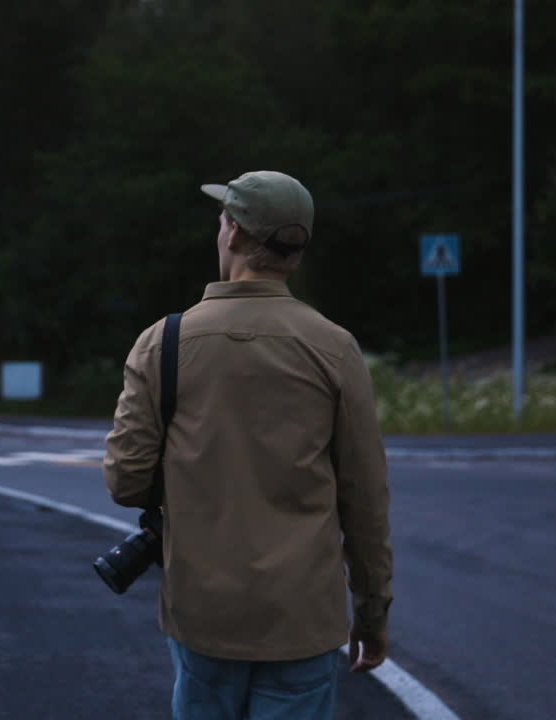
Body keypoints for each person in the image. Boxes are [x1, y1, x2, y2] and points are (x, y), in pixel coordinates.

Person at [103, 171, 393, 719]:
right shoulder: (334, 347)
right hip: (302, 616)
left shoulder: (163, 342)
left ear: (234, 233)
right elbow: (366, 501)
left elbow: (125, 482)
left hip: (203, 612)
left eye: (222, 220)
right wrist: (372, 612)